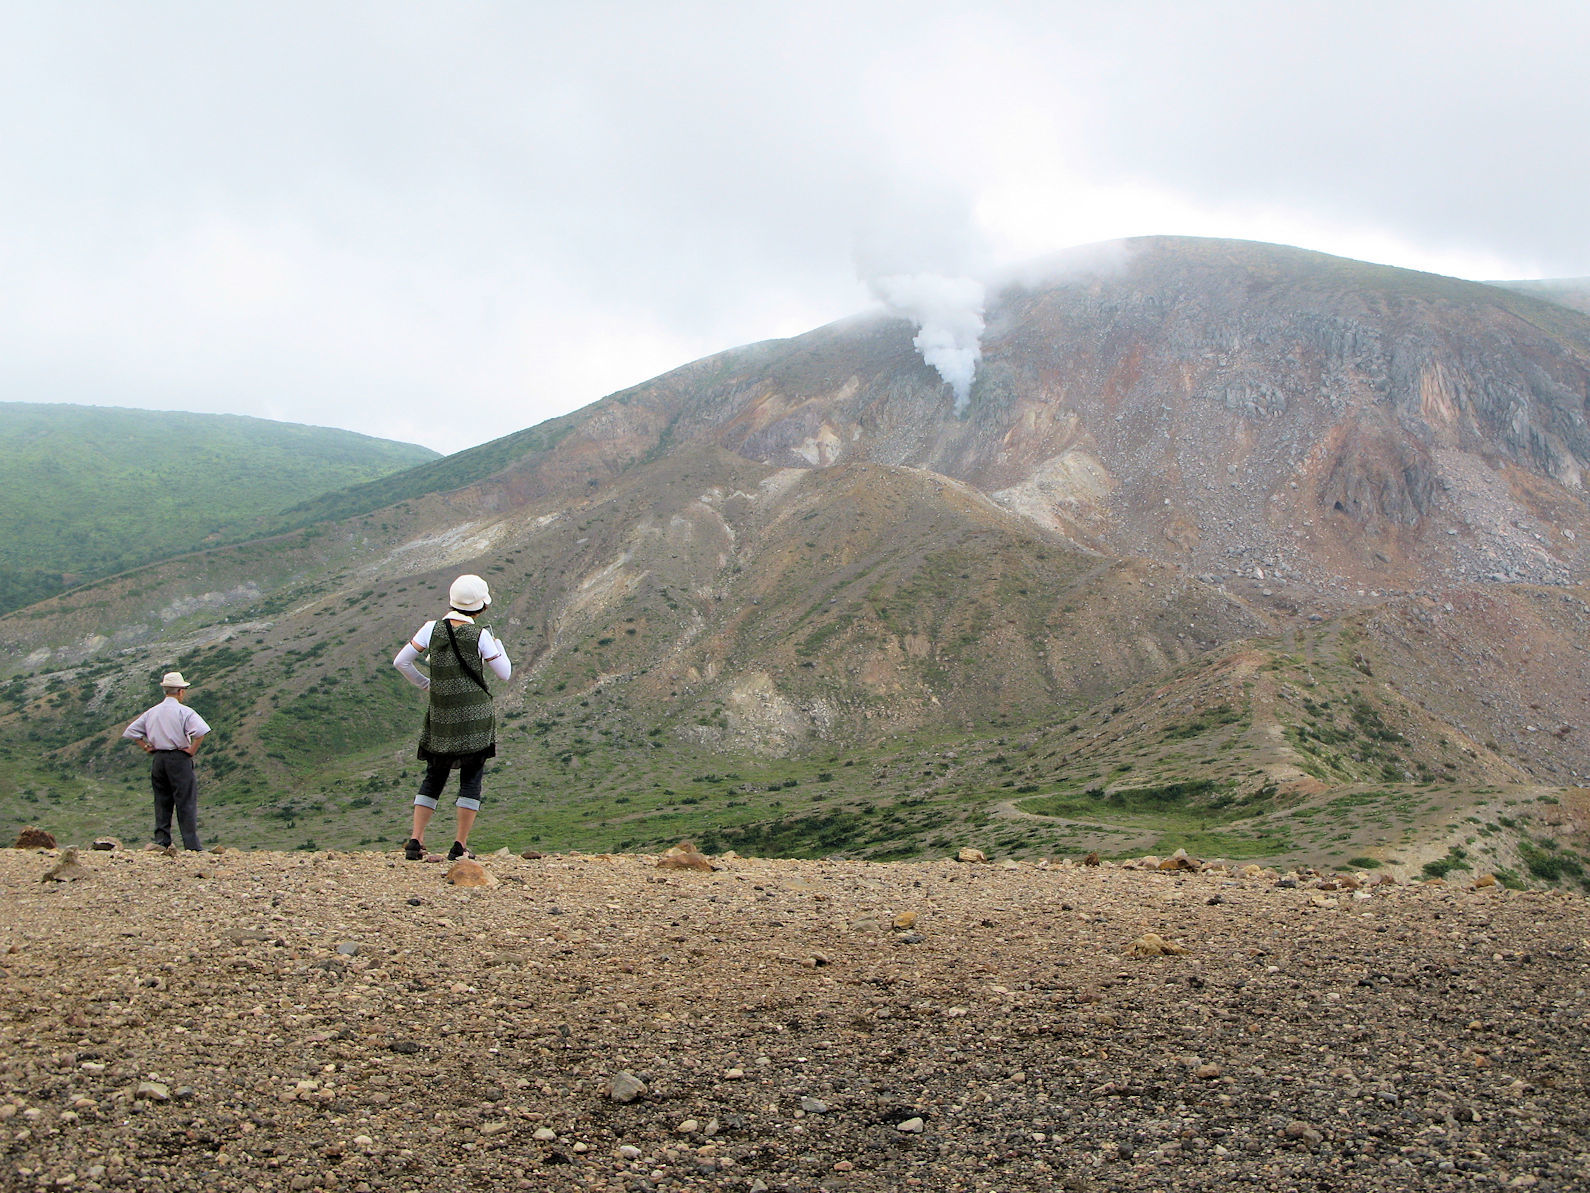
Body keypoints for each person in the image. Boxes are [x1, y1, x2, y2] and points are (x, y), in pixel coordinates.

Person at [393, 574, 511, 861]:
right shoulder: (481, 635)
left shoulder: (430, 629)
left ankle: (415, 840)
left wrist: (427, 684)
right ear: (482, 606)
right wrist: (499, 647)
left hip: (441, 715)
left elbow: (401, 662)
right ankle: (459, 845)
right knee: (471, 778)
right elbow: (505, 674)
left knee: (434, 775)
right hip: (476, 718)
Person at [122, 671, 211, 851]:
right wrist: (191, 751)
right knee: (185, 800)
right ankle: (191, 845)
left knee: (162, 799)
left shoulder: (152, 712)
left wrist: (146, 747)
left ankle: (162, 840)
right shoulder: (184, 711)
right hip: (179, 758)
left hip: (159, 758)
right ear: (180, 692)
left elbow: (132, 732)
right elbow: (200, 732)